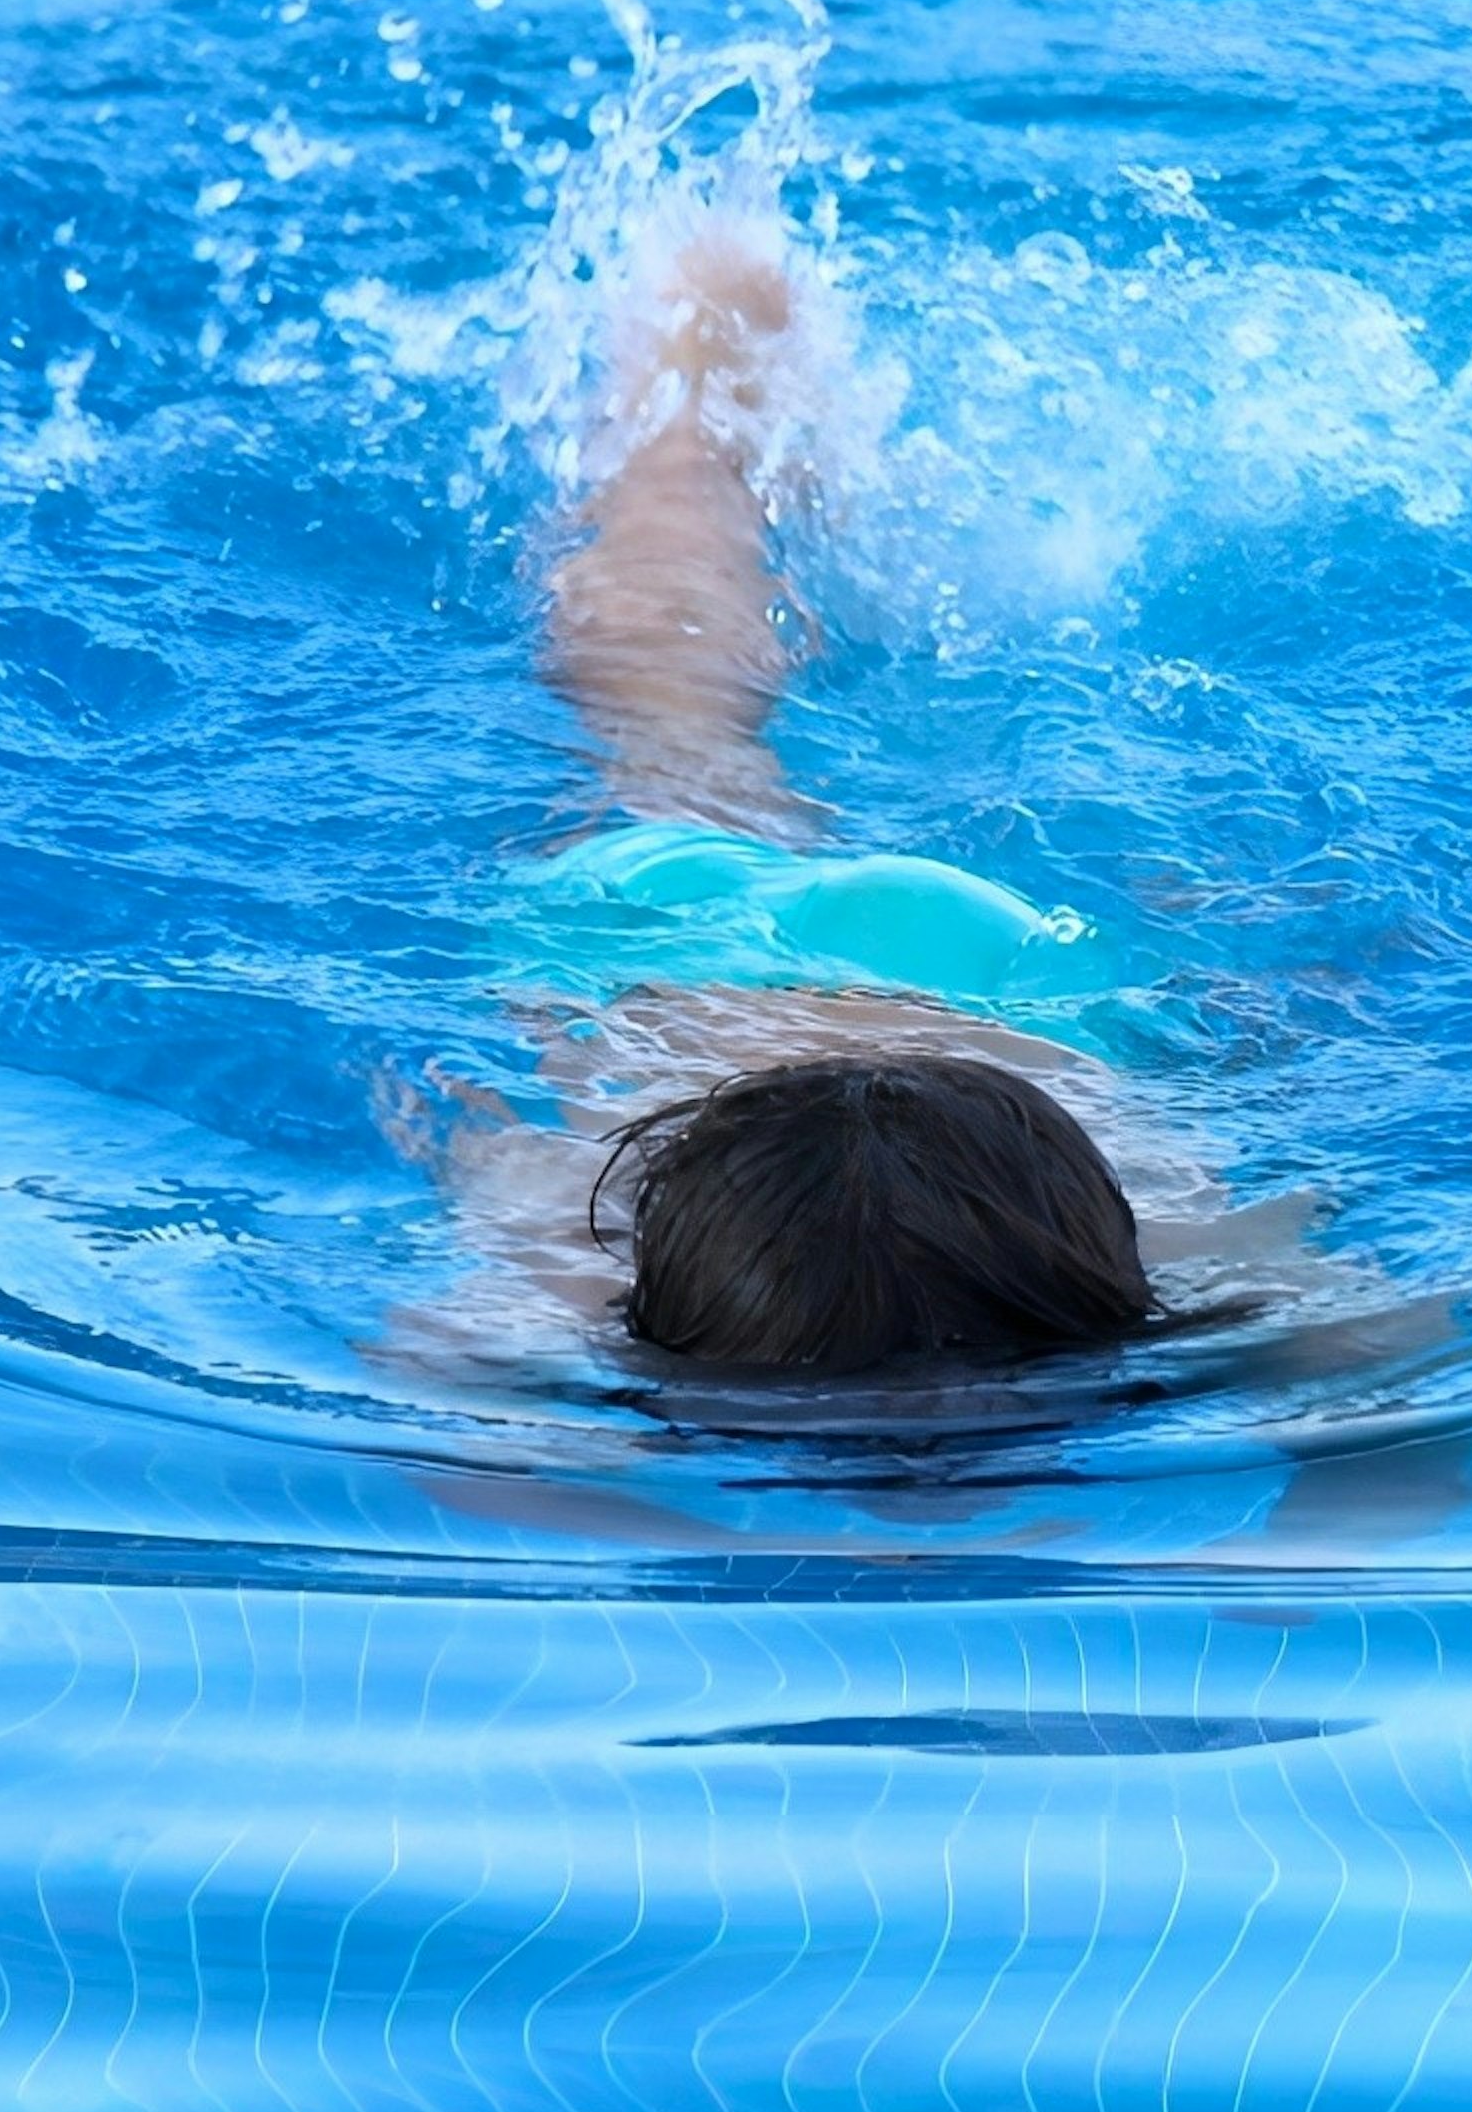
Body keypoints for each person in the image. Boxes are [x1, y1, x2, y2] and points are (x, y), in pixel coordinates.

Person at [408, 219, 1366, 1390]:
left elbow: (466, 1422)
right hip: (878, 968)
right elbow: (1383, 1375)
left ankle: (699, 364)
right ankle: (702, 374)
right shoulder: (564, 1259)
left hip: (834, 963)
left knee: (680, 733)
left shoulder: (558, 1261)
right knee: (674, 726)